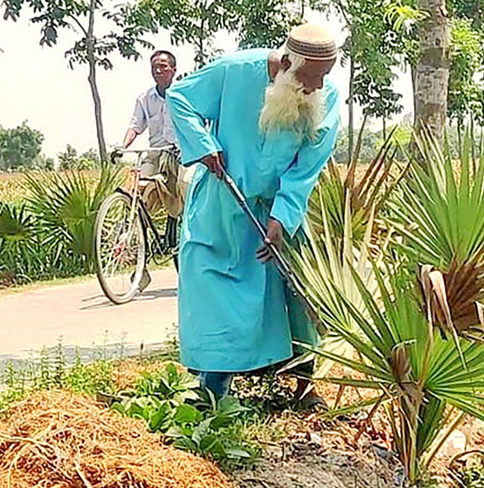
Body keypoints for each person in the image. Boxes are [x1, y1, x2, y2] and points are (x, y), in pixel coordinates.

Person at [166, 23, 341, 406]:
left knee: (295, 291)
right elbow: (179, 98)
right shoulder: (233, 70)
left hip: (279, 207)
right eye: (309, 78)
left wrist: (281, 216)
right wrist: (203, 145)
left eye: (323, 77)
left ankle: (304, 385)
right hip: (222, 204)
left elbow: (308, 165)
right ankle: (212, 391)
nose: (316, 87)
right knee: (217, 292)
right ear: (286, 65)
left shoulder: (326, 96)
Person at [121, 50, 183, 248]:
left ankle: (187, 232)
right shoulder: (145, 98)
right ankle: (133, 241)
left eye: (163, 66)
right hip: (156, 154)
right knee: (135, 191)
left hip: (180, 154)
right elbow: (135, 126)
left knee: (187, 187)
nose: (158, 70)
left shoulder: (184, 93)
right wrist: (122, 146)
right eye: (154, 67)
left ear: (173, 70)